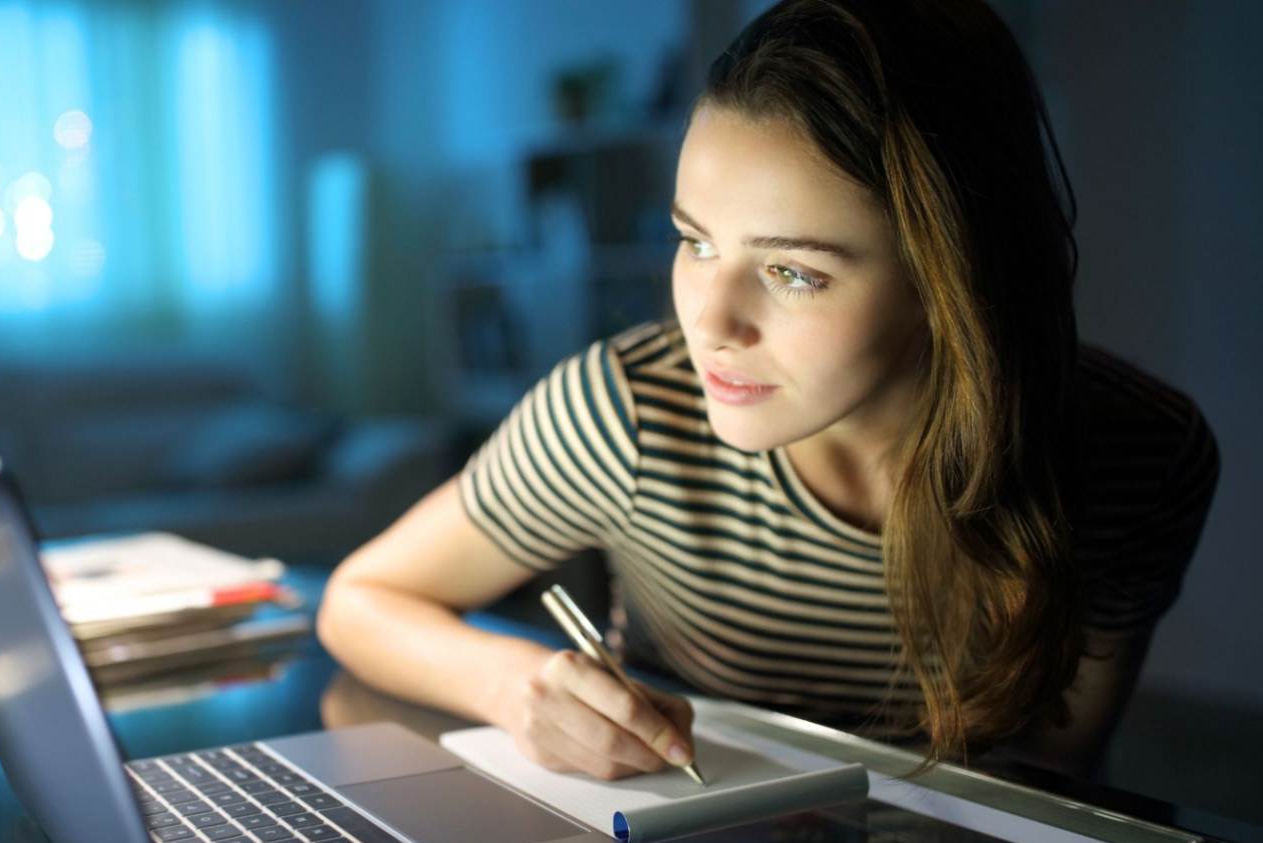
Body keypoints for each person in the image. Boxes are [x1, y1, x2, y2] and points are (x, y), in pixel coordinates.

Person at [317, 0, 1219, 782]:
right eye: (695, 241)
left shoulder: (1134, 454)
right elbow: (358, 600)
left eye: (792, 272)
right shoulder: (624, 412)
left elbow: (1051, 777)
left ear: (950, 280)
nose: (710, 322)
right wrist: (515, 688)